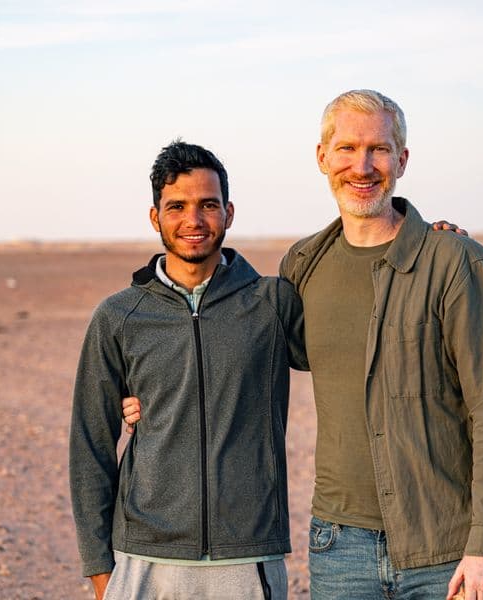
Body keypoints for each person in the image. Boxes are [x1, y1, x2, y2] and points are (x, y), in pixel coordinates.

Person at [126, 89, 483, 600]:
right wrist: (155, 395)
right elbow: (242, 349)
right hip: (340, 548)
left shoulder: (457, 265)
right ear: (322, 158)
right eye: (346, 149)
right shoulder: (304, 266)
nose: (361, 166)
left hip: (447, 548)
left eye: (378, 150)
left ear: (401, 160)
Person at [69, 140, 308, 600]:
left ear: (229, 212)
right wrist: (101, 569)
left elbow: (354, 337)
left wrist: (423, 239)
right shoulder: (119, 316)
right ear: (155, 217)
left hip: (246, 556)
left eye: (208, 205)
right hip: (144, 559)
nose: (193, 221)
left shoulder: (271, 304)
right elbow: (89, 443)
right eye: (176, 206)